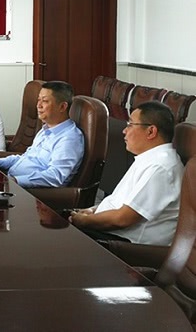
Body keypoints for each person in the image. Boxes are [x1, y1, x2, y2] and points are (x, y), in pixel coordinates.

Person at [69, 101, 183, 246]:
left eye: (130, 125)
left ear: (151, 131)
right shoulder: (149, 158)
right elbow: (118, 202)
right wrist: (92, 210)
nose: (124, 131)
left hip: (123, 243)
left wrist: (85, 221)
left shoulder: (160, 167)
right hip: (110, 232)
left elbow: (122, 219)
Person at [0, 81, 84, 187]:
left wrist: (15, 181)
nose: (38, 105)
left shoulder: (69, 139)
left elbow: (55, 176)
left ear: (62, 107)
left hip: (30, 191)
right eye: (38, 100)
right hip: (12, 181)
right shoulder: (45, 130)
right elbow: (26, 158)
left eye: (45, 101)